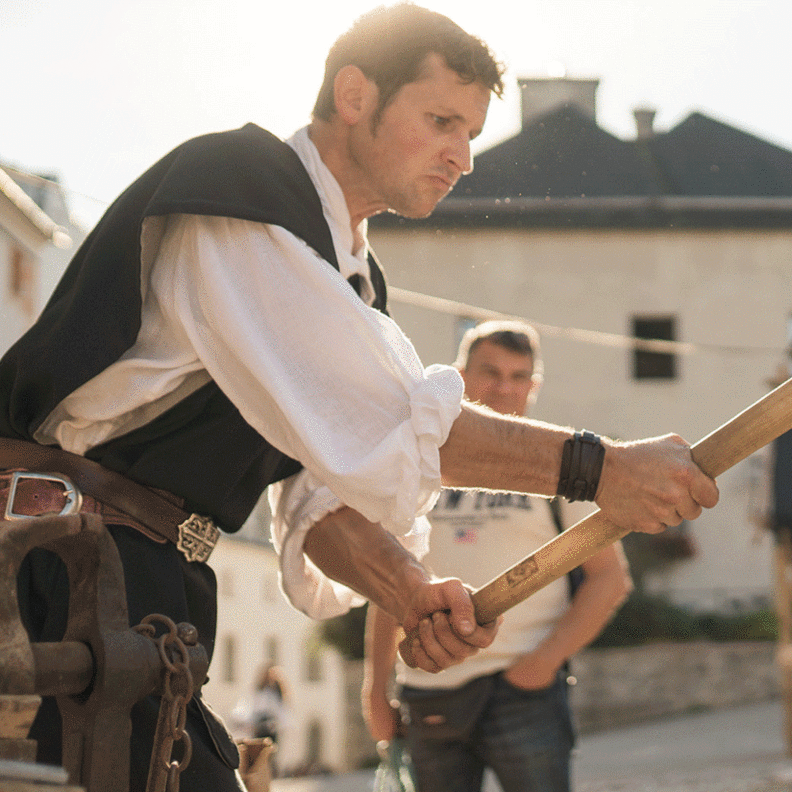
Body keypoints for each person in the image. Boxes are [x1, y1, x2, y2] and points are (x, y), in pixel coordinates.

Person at [0, 7, 715, 790]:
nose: (462, 158)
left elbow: (321, 506)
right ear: (354, 95)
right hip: (46, 563)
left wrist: (411, 593)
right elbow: (392, 416)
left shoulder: (354, 290)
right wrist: (599, 466)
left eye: (471, 132)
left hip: (146, 588)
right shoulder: (237, 196)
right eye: (441, 120)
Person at [361, 321, 634, 792]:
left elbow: (609, 579)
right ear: (460, 377)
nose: (503, 387)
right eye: (490, 372)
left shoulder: (560, 472)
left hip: (523, 690)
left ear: (534, 386)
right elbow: (388, 585)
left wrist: (543, 663)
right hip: (428, 687)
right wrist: (376, 688)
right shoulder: (422, 463)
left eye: (518, 376)